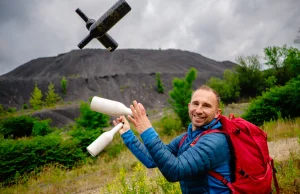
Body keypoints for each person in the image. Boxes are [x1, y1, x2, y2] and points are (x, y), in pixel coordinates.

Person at [113, 85, 232, 194]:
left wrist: (147, 131)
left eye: (206, 106)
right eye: (196, 104)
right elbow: (152, 160)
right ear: (189, 106)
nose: (199, 110)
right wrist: (127, 134)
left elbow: (175, 172)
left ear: (217, 113)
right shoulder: (186, 138)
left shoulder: (215, 141)